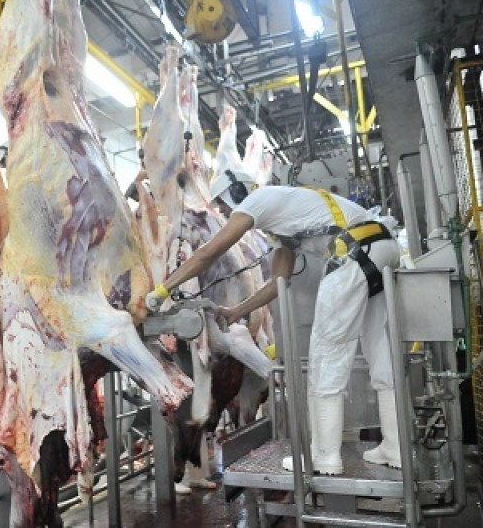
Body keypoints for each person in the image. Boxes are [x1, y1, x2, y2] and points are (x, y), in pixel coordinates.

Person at [145, 170, 401, 475]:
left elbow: (209, 252)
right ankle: (395, 446)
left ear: (235, 192)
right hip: (383, 245)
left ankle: (324, 456)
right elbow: (279, 281)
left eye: (223, 206)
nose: (224, 213)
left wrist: (162, 290)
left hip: (354, 251)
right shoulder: (283, 227)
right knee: (379, 349)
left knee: (325, 354)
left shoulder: (258, 200)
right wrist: (236, 311)